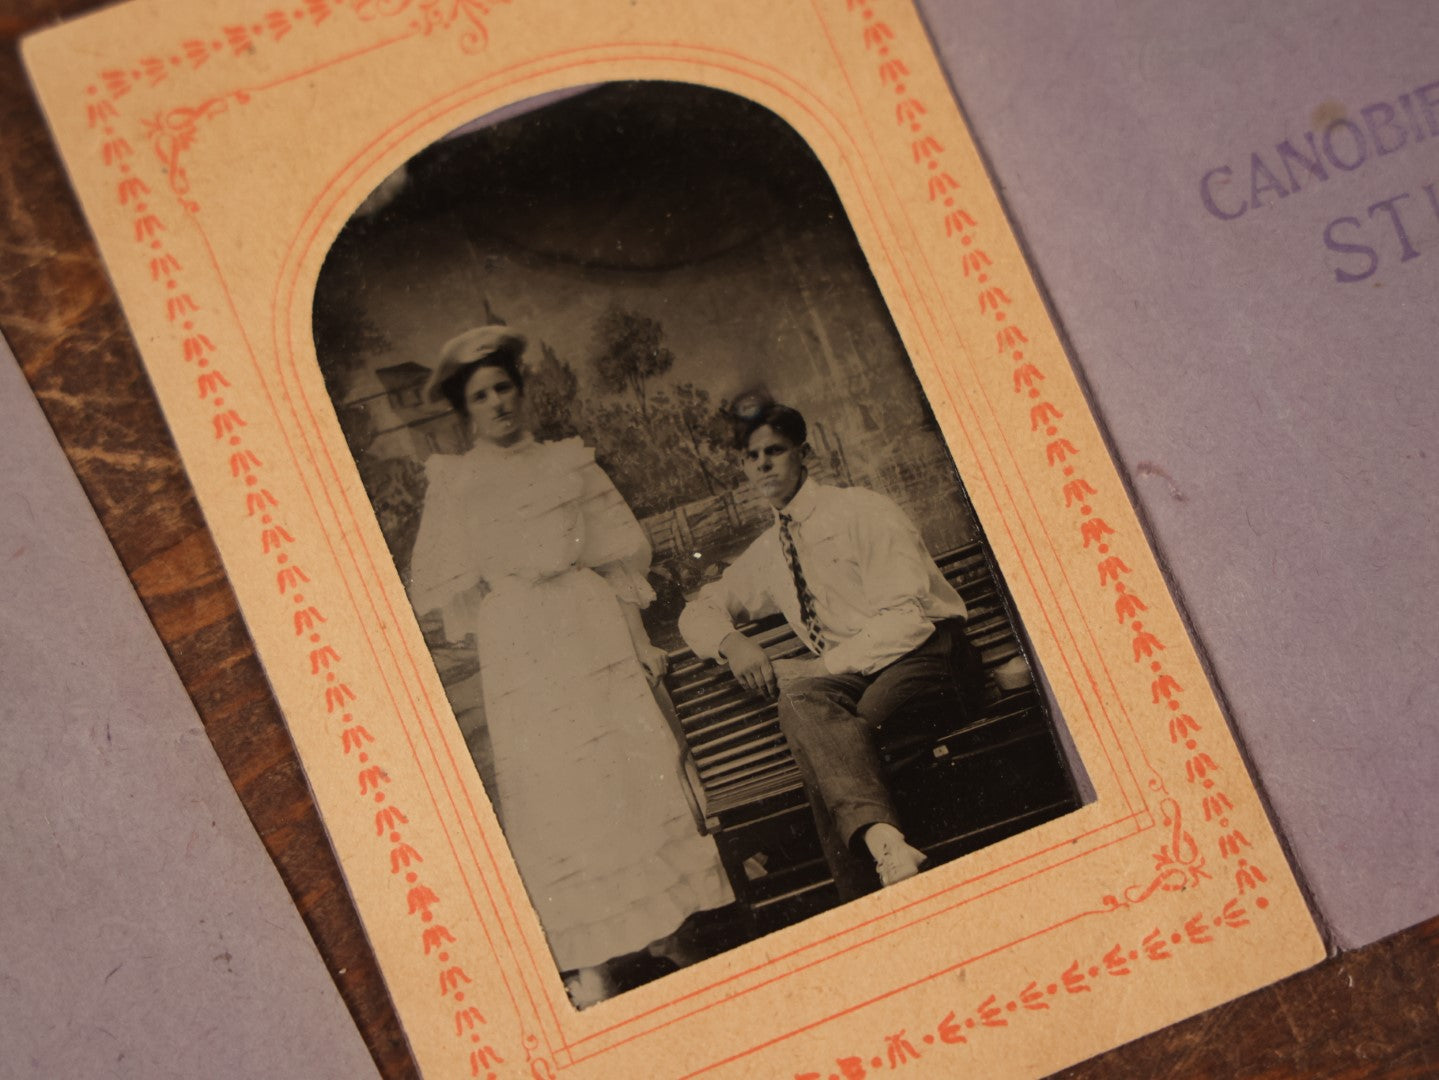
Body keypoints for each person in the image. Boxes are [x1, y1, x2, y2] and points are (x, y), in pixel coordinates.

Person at [405, 326, 733, 1005]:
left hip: (590, 624)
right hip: (522, 642)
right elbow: (455, 594)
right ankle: (593, 957)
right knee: (560, 788)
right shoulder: (457, 483)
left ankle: (670, 932)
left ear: (522, 394)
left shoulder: (568, 463)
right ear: (465, 410)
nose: (497, 403)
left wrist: (637, 642)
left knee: (626, 768)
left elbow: (616, 557)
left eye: (504, 389)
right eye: (481, 395)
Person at [678, 403, 982, 900]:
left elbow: (909, 620)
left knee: (844, 735)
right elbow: (698, 611)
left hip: (933, 656)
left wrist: (820, 666)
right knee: (802, 703)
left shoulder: (863, 511)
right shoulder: (769, 551)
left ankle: (863, 900)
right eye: (751, 457)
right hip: (860, 676)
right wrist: (731, 643)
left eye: (774, 451)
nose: (763, 465)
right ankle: (888, 846)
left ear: (804, 453)